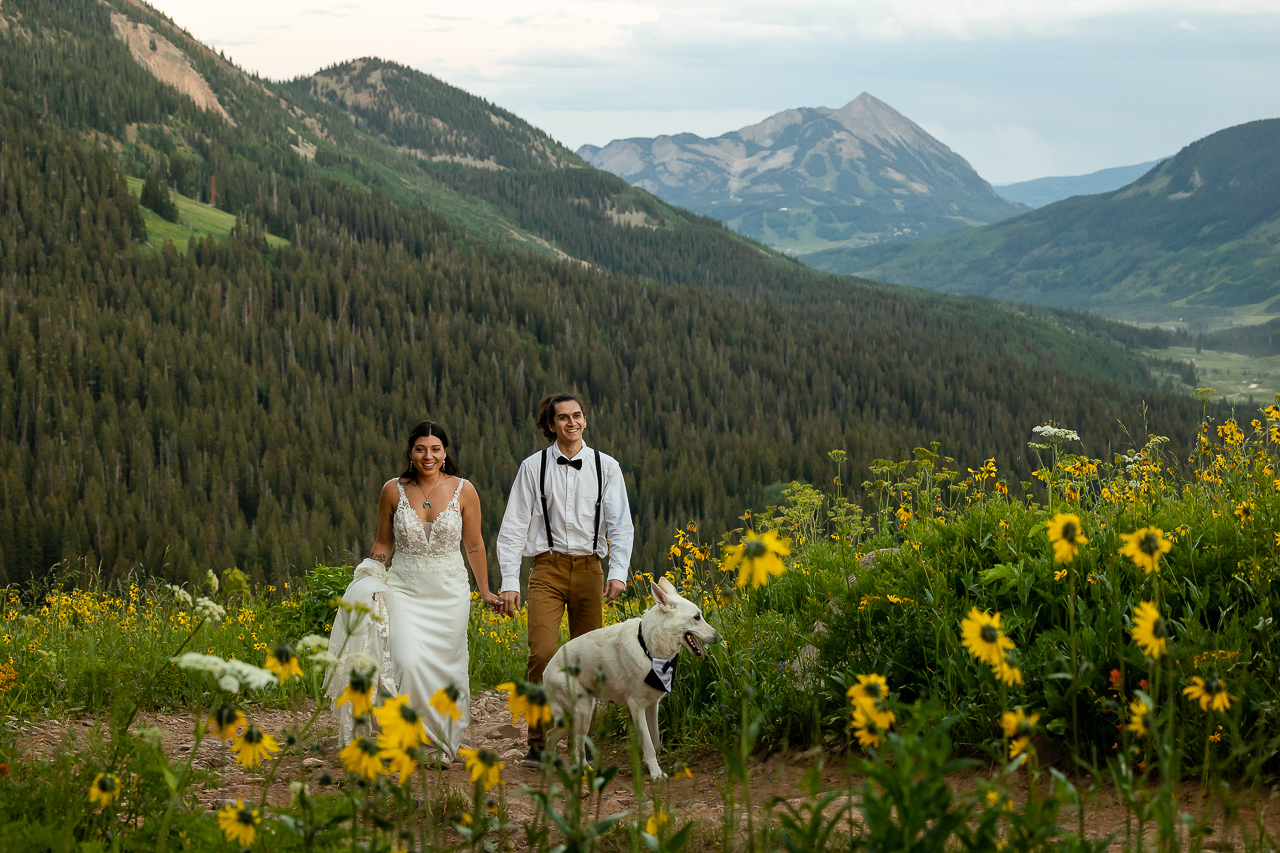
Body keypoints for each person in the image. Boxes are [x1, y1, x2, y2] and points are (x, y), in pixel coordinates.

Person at [325, 421, 500, 758]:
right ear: (410, 453)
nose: (428, 456)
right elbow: (384, 541)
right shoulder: (392, 490)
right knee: (404, 661)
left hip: (450, 592)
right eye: (421, 449)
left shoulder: (465, 490)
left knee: (447, 669)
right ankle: (407, 736)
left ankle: (439, 742)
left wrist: (486, 591)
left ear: (445, 453)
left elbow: (474, 545)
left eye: (435, 449)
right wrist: (369, 572)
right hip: (405, 588)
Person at [496, 393, 634, 765]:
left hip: (590, 570)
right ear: (550, 425)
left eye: (577, 416)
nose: (572, 423)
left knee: (587, 661)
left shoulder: (607, 467)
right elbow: (512, 528)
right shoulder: (532, 467)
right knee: (541, 654)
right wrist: (510, 579)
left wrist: (618, 572)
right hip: (546, 569)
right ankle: (539, 746)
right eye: (563, 418)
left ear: (585, 420)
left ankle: (579, 750)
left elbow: (622, 526)